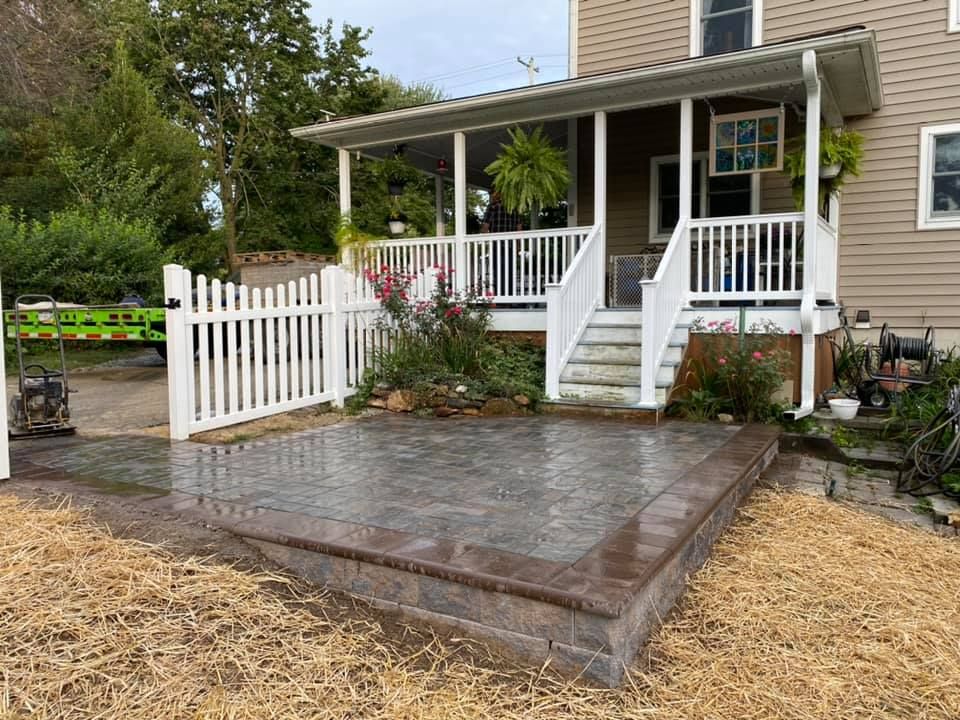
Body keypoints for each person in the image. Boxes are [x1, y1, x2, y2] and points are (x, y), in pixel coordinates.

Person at [481, 191, 523, 298]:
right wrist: (518, 246)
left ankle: (500, 298)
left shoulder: (492, 207)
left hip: (497, 245)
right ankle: (510, 297)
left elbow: (485, 226)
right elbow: (519, 228)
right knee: (510, 272)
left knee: (498, 272)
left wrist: (484, 241)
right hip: (511, 245)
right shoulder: (514, 207)